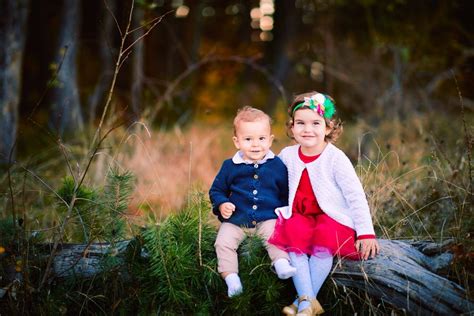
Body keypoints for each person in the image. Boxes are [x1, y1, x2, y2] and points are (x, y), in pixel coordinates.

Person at [268, 92, 380, 315]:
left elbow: (355, 196)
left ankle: (303, 304)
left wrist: (366, 232)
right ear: (292, 128)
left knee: (323, 246)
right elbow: (272, 182)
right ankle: (309, 304)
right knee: (294, 245)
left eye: (315, 123)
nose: (307, 129)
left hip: (330, 218)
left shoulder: (335, 158)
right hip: (299, 215)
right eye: (300, 123)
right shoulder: (287, 155)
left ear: (328, 128)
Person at [209, 106, 297, 298]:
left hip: (268, 218)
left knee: (276, 236)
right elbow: (217, 190)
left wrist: (284, 214)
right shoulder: (230, 166)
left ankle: (281, 263)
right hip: (236, 221)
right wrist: (222, 204)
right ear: (237, 142)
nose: (255, 145)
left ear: (270, 139)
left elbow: (285, 193)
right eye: (248, 139)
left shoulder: (277, 166)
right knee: (223, 242)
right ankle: (231, 279)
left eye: (261, 138)